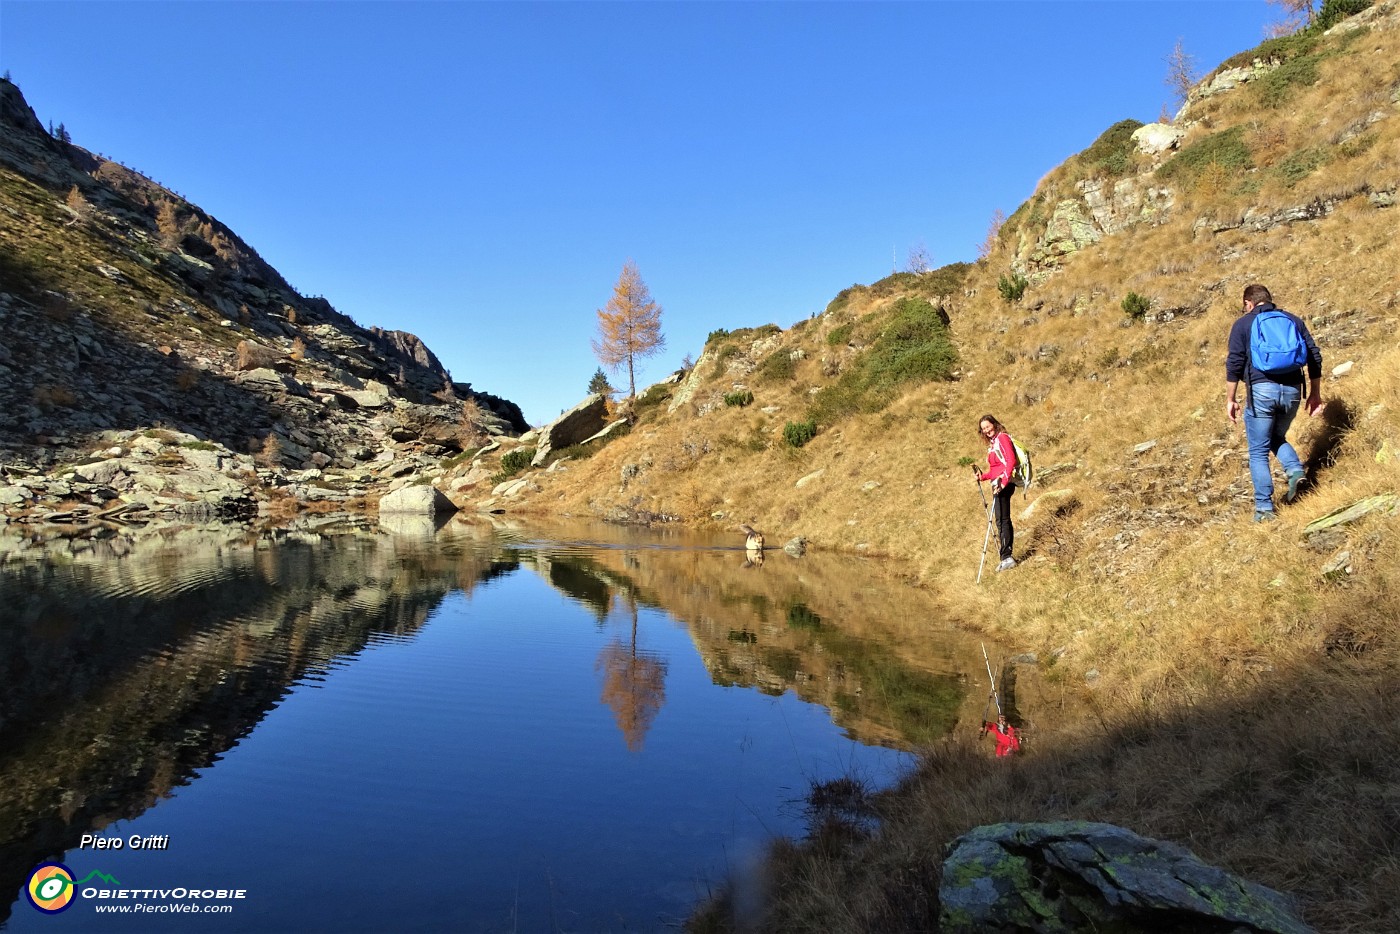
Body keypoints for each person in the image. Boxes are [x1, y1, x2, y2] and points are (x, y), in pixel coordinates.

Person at [1225, 284, 1323, 522]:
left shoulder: (1243, 324)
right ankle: (1295, 470)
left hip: (1261, 391)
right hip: (1292, 391)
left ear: (1249, 303)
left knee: (1258, 451)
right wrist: (1315, 394)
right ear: (1269, 300)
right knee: (1276, 437)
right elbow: (1314, 356)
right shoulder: (1292, 320)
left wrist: (1231, 398)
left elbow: (1235, 363)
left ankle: (1264, 509)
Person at [976, 414, 1017, 572]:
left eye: (988, 426)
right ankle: (1005, 557)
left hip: (1003, 484)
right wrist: (983, 476)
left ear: (994, 424)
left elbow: (1011, 461)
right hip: (997, 483)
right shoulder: (993, 443)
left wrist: (1003, 482)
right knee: (1000, 520)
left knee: (1003, 520)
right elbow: (995, 469)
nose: (986, 430)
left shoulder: (1003, 438)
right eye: (983, 429)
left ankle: (1007, 557)